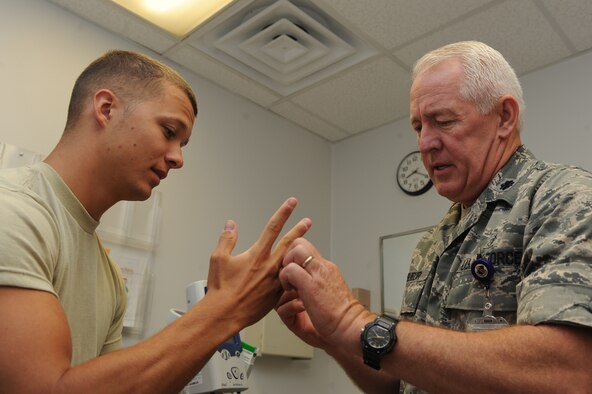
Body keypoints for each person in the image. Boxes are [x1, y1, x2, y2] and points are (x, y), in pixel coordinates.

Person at [276, 41, 592, 393]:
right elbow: (400, 383)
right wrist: (335, 338)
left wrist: (354, 321)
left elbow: (570, 372)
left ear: (504, 117)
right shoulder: (433, 241)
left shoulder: (564, 197)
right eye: (418, 127)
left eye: (443, 121)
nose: (425, 143)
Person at [0, 50, 311, 392]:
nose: (178, 158)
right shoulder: (13, 211)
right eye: (168, 131)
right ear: (106, 109)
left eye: (182, 143)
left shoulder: (111, 279)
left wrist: (221, 312)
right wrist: (225, 310)